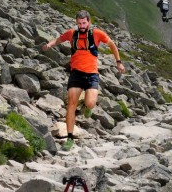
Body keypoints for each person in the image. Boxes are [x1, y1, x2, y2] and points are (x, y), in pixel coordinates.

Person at [42, 10, 125, 150]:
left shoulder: (97, 34)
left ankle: (87, 107)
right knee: (71, 105)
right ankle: (69, 138)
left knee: (91, 103)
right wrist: (49, 45)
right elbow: (58, 39)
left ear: (89, 22)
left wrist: (118, 62)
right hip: (76, 74)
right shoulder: (71, 33)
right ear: (76, 22)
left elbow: (112, 45)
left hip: (92, 74)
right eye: (79, 23)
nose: (81, 25)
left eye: (84, 23)